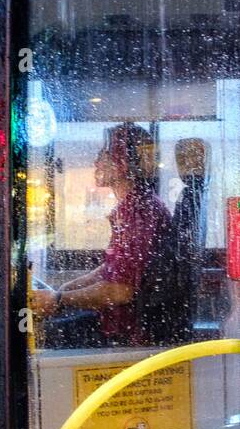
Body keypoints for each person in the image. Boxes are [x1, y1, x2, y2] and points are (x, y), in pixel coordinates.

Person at [32, 123, 171, 346]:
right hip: (116, 321)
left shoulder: (139, 212)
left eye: (103, 154)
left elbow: (120, 291)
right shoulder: (134, 206)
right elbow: (111, 270)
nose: (96, 162)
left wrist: (59, 300)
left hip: (126, 333)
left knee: (40, 338)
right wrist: (63, 291)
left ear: (123, 164)